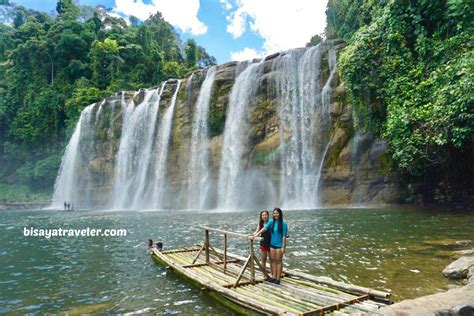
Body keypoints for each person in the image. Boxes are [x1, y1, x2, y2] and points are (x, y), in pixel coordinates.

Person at [253, 207, 288, 284]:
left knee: (278, 261)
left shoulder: (284, 224)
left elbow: (284, 236)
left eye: (277, 213)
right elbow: (264, 228)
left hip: (279, 245)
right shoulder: (271, 222)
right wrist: (257, 234)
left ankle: (278, 279)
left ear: (280, 214)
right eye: (274, 213)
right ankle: (273, 277)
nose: (276, 215)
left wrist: (283, 247)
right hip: (272, 245)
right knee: (272, 261)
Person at [253, 210, 271, 276]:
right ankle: (264, 274)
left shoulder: (270, 222)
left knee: (271, 259)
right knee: (263, 259)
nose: (264, 216)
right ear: (261, 216)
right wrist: (253, 234)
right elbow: (256, 231)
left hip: (271, 243)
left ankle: (273, 274)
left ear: (268, 216)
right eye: (263, 215)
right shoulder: (260, 223)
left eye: (265, 215)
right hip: (263, 242)